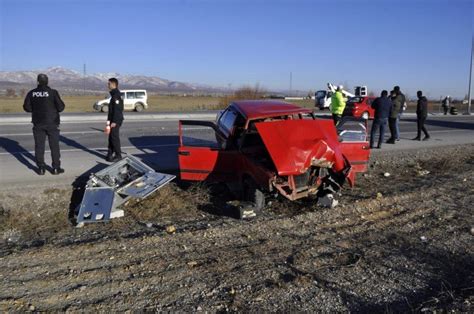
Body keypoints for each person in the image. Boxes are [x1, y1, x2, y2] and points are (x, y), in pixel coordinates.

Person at [23, 74, 65, 175]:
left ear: (37, 82)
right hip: (52, 122)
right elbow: (61, 107)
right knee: (54, 146)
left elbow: (27, 108)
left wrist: (37, 109)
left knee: (39, 146)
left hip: (38, 122)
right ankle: (56, 168)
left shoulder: (32, 93)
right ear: (47, 82)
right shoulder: (53, 92)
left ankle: (41, 168)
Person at [106, 77, 124, 162]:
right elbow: (111, 111)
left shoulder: (116, 95)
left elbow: (118, 110)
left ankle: (118, 155)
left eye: (109, 84)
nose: (108, 85)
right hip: (112, 120)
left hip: (116, 121)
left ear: (113, 84)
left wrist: (114, 122)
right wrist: (108, 122)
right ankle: (110, 154)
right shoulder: (113, 94)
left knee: (114, 138)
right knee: (111, 138)